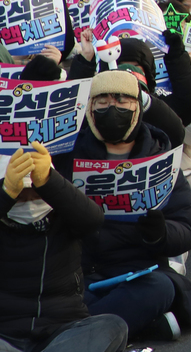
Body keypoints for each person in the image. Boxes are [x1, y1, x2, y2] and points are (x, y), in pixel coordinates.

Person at [63, 71, 191, 341]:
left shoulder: (160, 157)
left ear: (138, 107)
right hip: (80, 271)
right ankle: (129, 327)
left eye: (122, 99)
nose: (112, 106)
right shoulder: (68, 155)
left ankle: (77, 333)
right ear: (89, 108)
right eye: (102, 100)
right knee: (51, 297)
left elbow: (185, 229)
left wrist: (160, 233)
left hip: (139, 272)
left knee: (160, 289)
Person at [0, 144, 128, 352]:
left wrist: (49, 181)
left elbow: (93, 220)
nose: (30, 200)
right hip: (5, 334)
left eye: (36, 191)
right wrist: (5, 194)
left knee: (113, 326)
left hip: (61, 331)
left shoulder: (66, 214)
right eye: (21, 194)